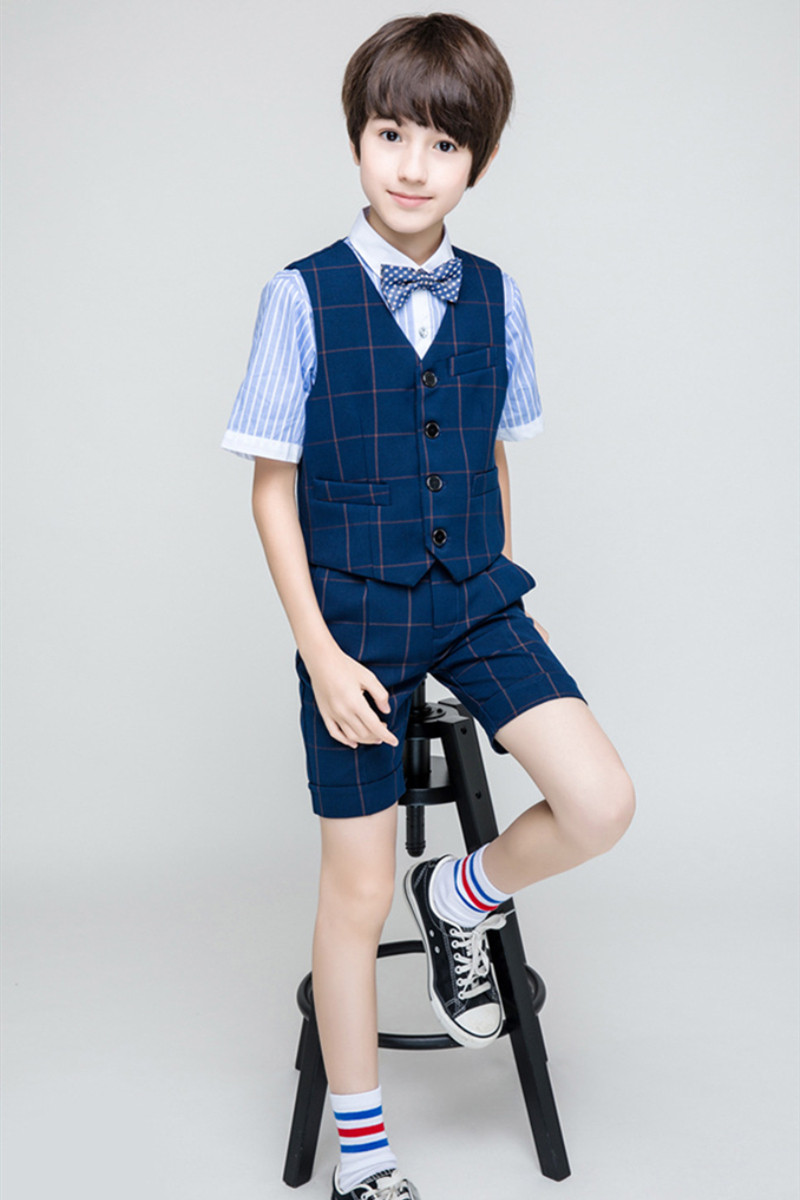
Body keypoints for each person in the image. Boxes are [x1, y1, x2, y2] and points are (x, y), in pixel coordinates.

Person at [221, 13, 635, 1200]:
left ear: (477, 162)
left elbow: (491, 453)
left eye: (443, 145)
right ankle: (364, 1155)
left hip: (473, 600)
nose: (412, 166)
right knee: (351, 892)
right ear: (356, 138)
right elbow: (270, 493)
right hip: (352, 620)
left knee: (600, 801)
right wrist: (317, 652)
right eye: (389, 134)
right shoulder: (301, 295)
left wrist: (499, 578)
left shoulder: (495, 294)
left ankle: (460, 892)